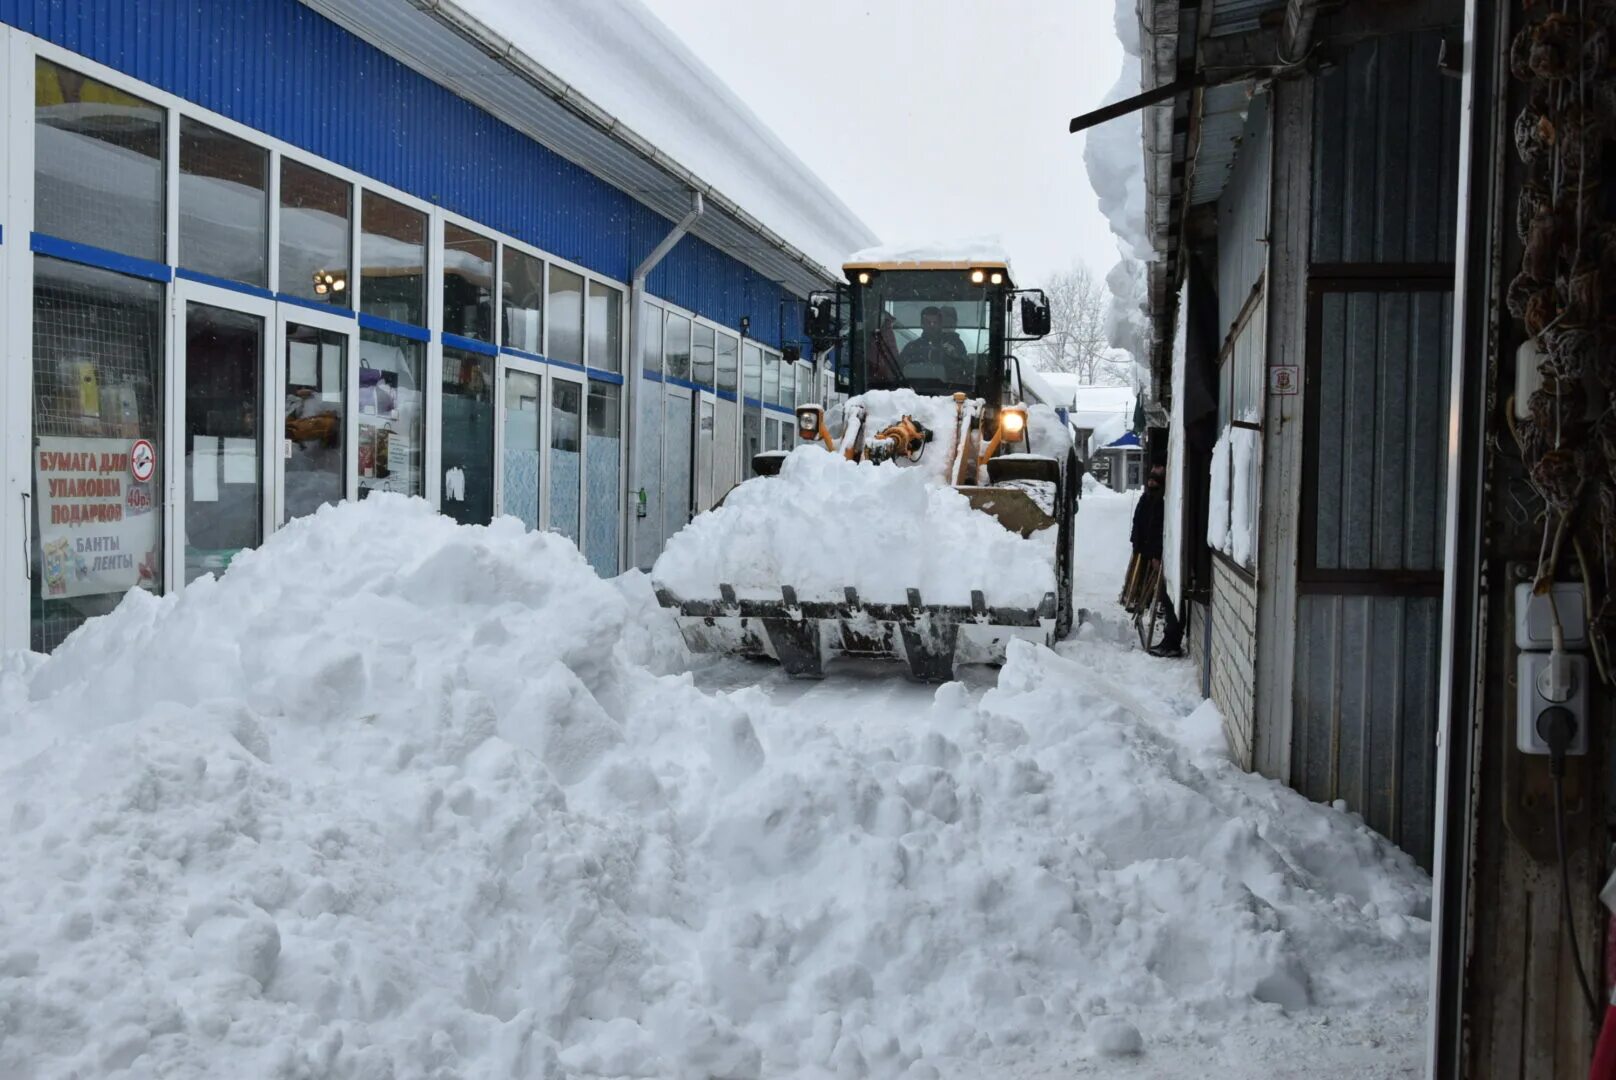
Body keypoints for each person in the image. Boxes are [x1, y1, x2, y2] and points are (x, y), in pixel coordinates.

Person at [1129, 464, 1185, 657]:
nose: (1151, 479)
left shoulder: (1164, 500)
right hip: (1148, 552)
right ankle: (1169, 639)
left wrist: (1156, 554)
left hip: (1161, 556)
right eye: (1151, 475)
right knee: (1162, 596)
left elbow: (1159, 528)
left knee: (1169, 598)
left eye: (1157, 474)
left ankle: (1172, 642)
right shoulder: (1149, 497)